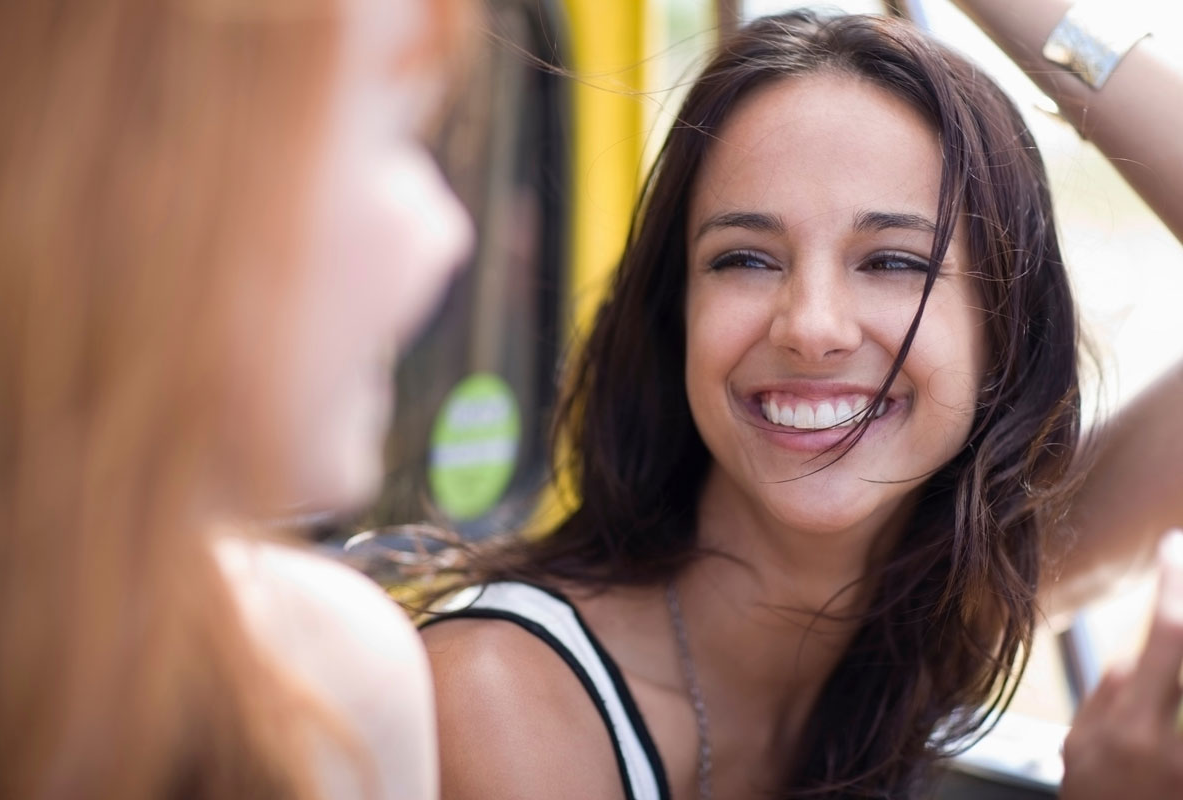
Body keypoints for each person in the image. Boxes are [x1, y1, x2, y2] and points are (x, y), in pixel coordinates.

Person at [421, 8, 1183, 800]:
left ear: (1005, 328)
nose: (812, 327)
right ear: (673, 310)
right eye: (745, 258)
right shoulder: (500, 699)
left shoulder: (941, 611)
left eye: (890, 261)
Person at [0, 0, 471, 798]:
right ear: (133, 169)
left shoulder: (336, 683)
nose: (445, 232)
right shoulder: (325, 695)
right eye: (393, 133)